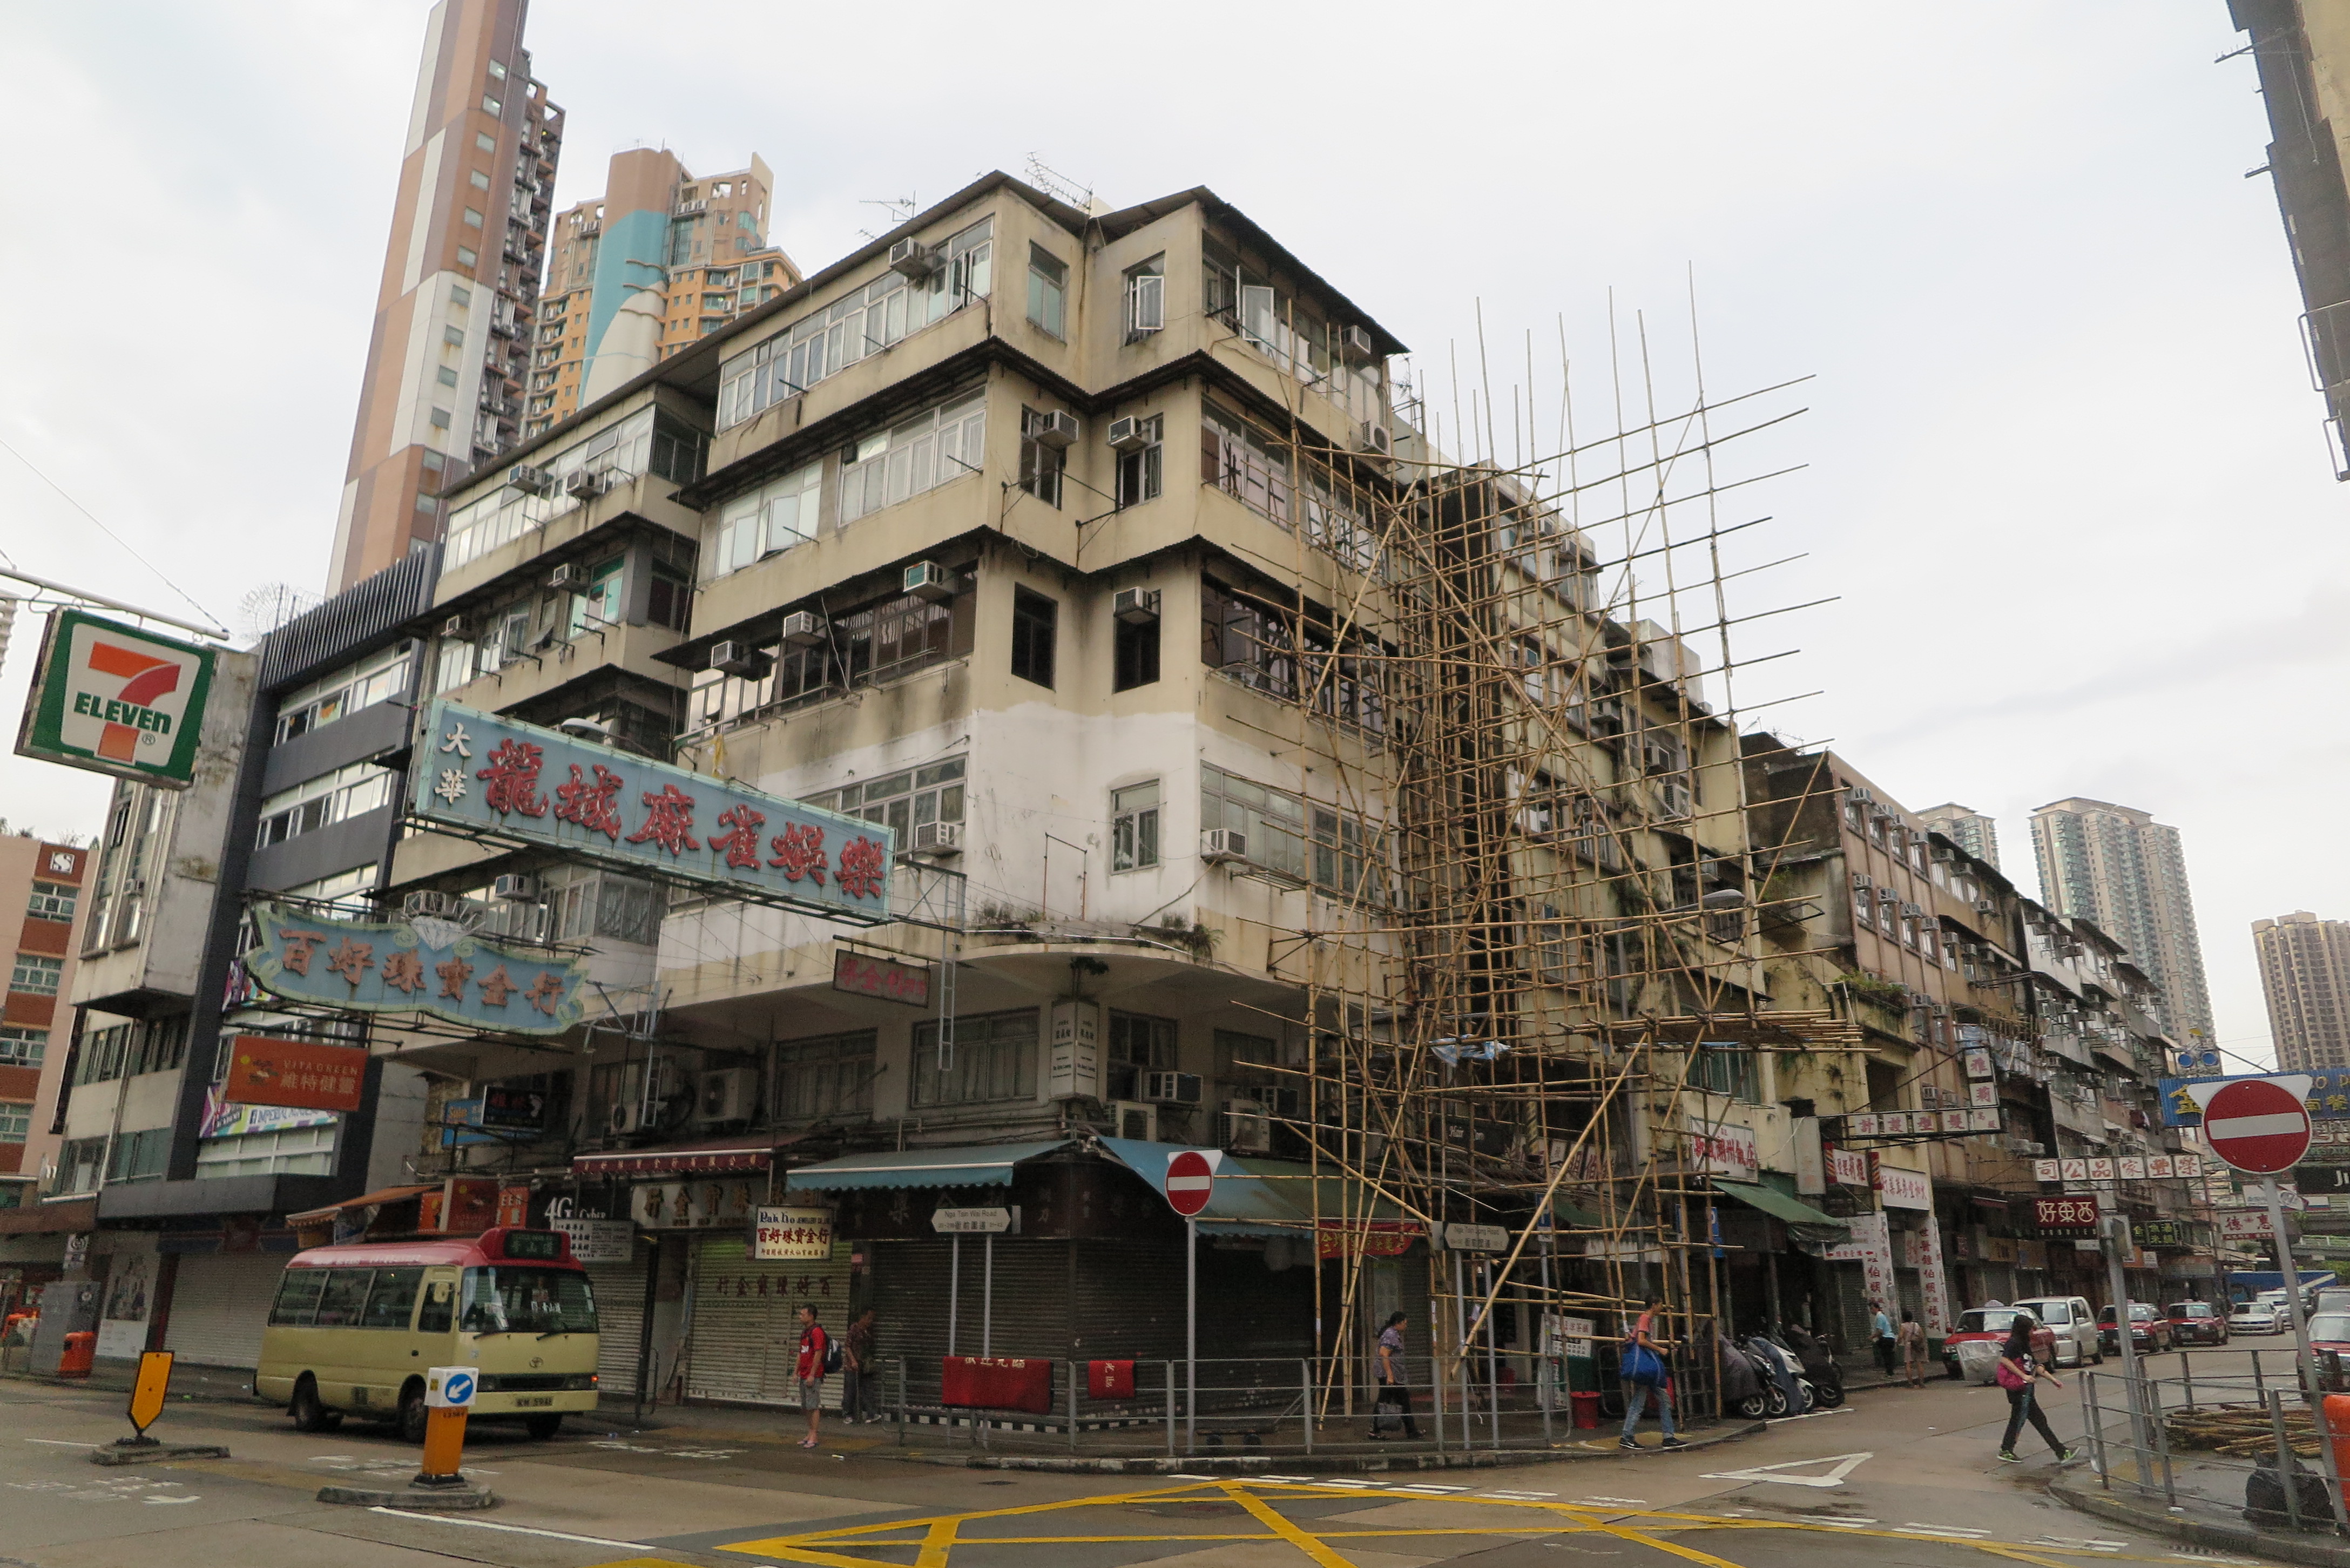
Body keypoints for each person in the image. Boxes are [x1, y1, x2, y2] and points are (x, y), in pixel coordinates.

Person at [1995, 1314, 2076, 1465]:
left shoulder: (2025, 1343)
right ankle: (2007, 1450)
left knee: (2037, 1421)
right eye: (2030, 1329)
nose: (2033, 1332)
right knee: (2021, 1421)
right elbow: (2005, 1360)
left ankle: (2061, 1452)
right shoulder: (2013, 1343)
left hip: (2027, 1391)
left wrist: (2053, 1380)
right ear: (2022, 1329)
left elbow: (2035, 1366)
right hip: (2018, 1390)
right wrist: (2023, 1376)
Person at [1620, 1293, 1685, 1451]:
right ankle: (1627, 1436)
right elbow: (1641, 1341)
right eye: (1661, 1304)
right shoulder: (1645, 1319)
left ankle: (1668, 1436)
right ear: (1654, 1305)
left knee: (1662, 1400)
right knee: (1641, 1402)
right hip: (1645, 1368)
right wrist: (1660, 1350)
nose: (1662, 1308)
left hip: (1646, 1368)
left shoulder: (1646, 1320)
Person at [1369, 1311, 1421, 1439]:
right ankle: (1375, 1430)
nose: (1406, 1326)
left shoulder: (1393, 1334)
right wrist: (1390, 1376)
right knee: (1389, 1401)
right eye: (1404, 1323)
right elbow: (1384, 1354)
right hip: (1391, 1376)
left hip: (1394, 1375)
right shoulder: (1390, 1335)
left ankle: (1411, 1430)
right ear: (1398, 1323)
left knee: (1398, 1401)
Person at [795, 1303, 830, 1448]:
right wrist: (795, 1372)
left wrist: (812, 1374)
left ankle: (814, 1435)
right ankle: (810, 1433)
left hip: (812, 1375)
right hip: (803, 1373)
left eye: (803, 1314)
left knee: (813, 1405)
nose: (800, 1317)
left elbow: (818, 1353)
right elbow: (800, 1353)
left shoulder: (817, 1332)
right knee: (806, 1406)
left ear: (811, 1316)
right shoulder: (805, 1333)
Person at [845, 1306, 879, 1423]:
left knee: (867, 1389)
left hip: (865, 1366)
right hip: (852, 1366)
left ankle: (872, 1413)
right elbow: (847, 1346)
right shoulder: (854, 1329)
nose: (871, 1321)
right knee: (851, 1390)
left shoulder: (869, 1331)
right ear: (863, 1317)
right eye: (869, 1318)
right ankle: (848, 1414)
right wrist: (853, 1361)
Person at [1897, 1309, 1927, 1388]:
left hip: (1909, 1346)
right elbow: (1922, 1335)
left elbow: (1900, 1336)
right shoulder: (1916, 1325)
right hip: (1917, 1346)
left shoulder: (1903, 1326)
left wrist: (1898, 1342)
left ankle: (1910, 1383)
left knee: (1908, 1364)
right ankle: (1921, 1382)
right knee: (1919, 1363)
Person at [1871, 1300, 1897, 1377]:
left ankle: (1889, 1373)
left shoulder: (1879, 1317)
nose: (1871, 1310)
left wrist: (1872, 1337)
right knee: (1889, 1356)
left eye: (1872, 1308)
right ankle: (1890, 1372)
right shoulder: (1881, 1316)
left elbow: (1880, 1331)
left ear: (1877, 1308)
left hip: (1886, 1339)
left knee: (1887, 1357)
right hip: (1890, 1338)